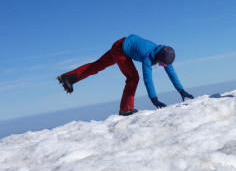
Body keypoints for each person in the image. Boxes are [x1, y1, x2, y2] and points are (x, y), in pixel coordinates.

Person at [57, 34, 194, 115]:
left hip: (122, 43)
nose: (162, 66)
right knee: (133, 77)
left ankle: (68, 77)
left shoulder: (163, 54)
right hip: (120, 49)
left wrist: (180, 89)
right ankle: (125, 109)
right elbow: (148, 79)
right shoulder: (147, 56)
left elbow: (171, 71)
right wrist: (154, 99)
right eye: (162, 64)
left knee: (97, 66)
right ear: (159, 57)